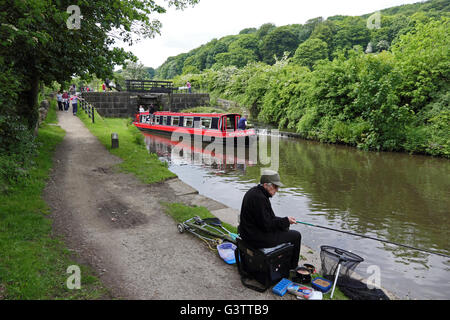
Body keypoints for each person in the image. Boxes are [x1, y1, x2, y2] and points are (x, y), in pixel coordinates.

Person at [238, 170, 302, 269]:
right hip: (254, 238)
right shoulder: (260, 198)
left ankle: (284, 259)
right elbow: (267, 225)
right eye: (275, 186)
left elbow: (268, 218)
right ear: (265, 185)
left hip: (248, 232)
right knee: (296, 235)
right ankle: (293, 267)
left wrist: (286, 220)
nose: (277, 190)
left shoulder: (255, 192)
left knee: (284, 229)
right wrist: (285, 221)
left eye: (277, 187)